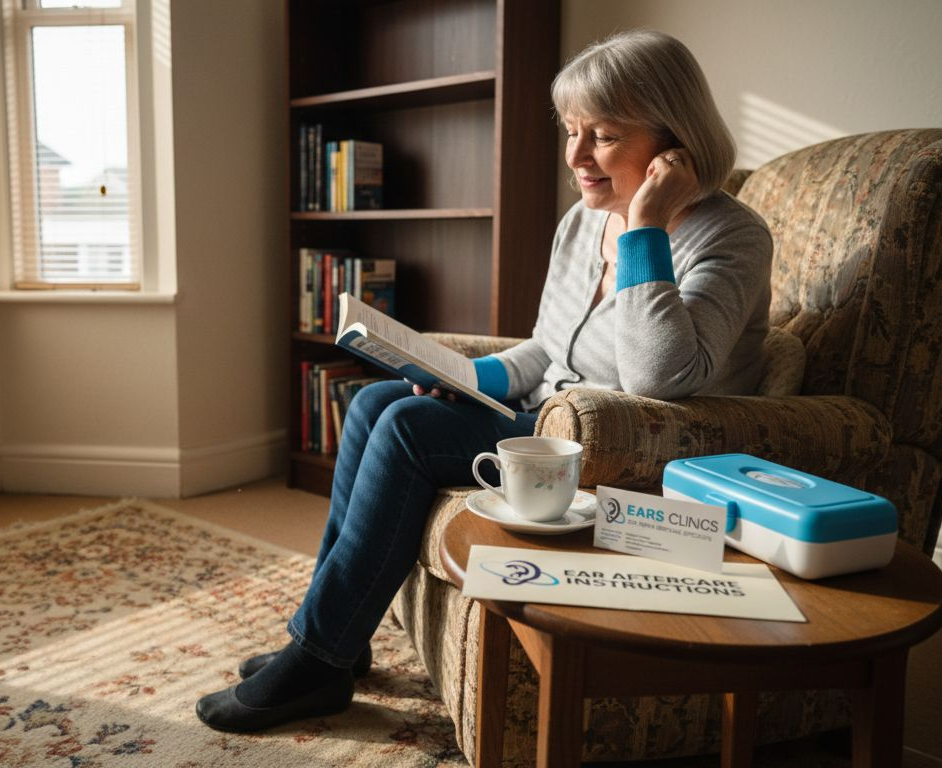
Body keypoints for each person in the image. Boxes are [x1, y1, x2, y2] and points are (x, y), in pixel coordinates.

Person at [196, 28, 773, 733]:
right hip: (547, 422)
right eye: (571, 131)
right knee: (378, 400)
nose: (575, 157)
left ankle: (316, 659)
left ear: (674, 142)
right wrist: (462, 376)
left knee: (407, 429)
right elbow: (550, 346)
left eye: (603, 136)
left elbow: (659, 380)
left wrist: (644, 227)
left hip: (623, 453)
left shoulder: (730, 236)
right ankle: (336, 644)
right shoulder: (580, 222)